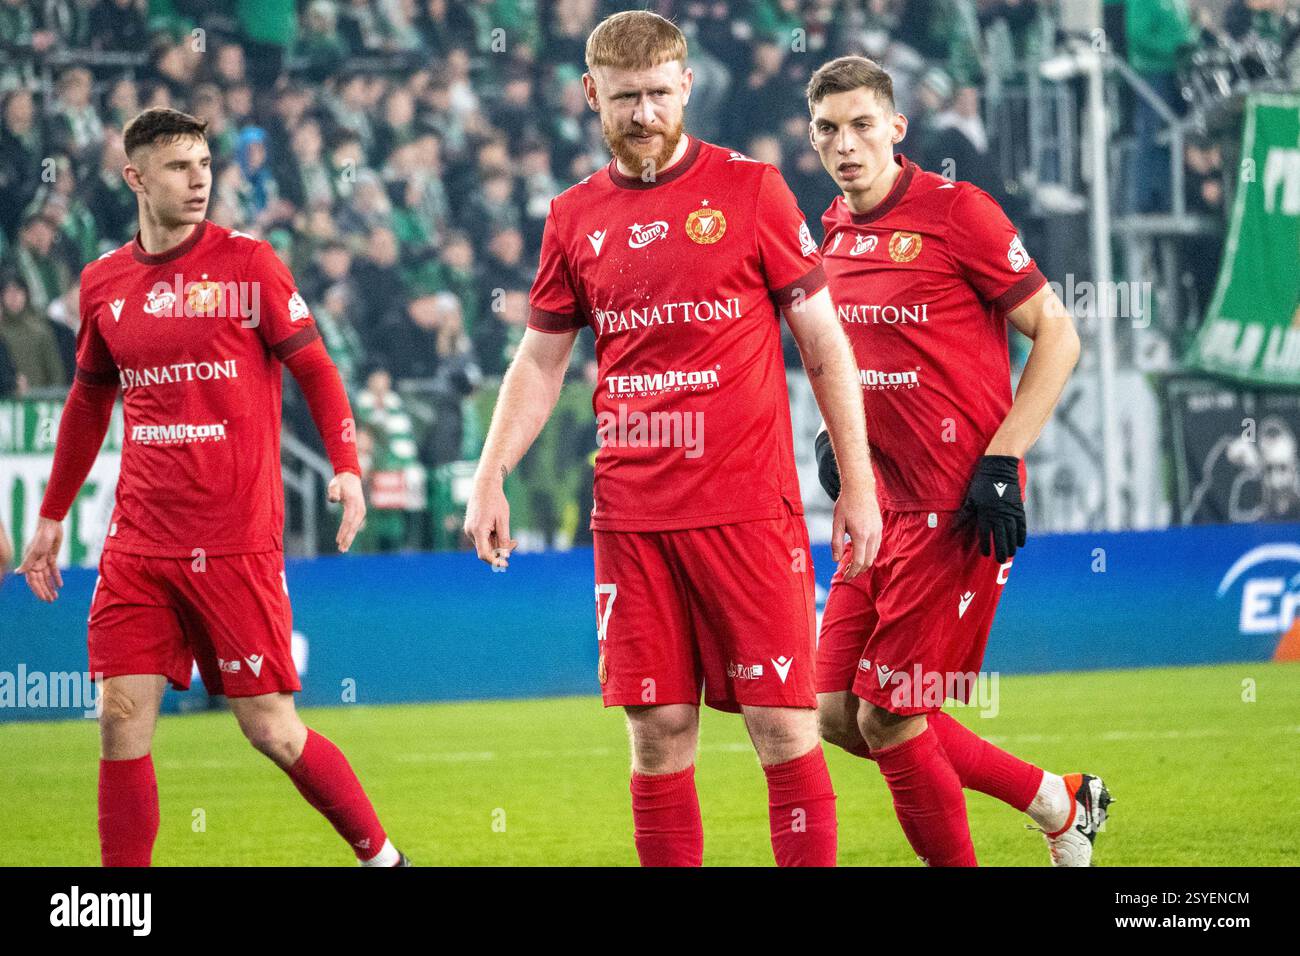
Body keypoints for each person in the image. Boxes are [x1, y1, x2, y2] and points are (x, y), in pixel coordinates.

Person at [464, 11, 880, 867]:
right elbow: (540, 362)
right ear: (591, 96)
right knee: (656, 734)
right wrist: (490, 474)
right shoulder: (573, 216)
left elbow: (826, 344)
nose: (645, 113)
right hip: (632, 518)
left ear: (687, 86)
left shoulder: (751, 190)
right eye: (625, 99)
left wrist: (859, 485)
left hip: (746, 512)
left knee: (782, 724)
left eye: (659, 93)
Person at [15, 107, 408, 868]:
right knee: (120, 720)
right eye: (177, 167)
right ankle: (120, 905)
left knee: (271, 729)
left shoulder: (249, 264)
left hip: (233, 539)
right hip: (137, 541)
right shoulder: (102, 283)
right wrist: (52, 517)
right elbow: (89, 400)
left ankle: (385, 861)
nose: (198, 180)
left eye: (203, 165)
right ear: (135, 177)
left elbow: (316, 369)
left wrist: (348, 467)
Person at [805, 56, 1110, 866]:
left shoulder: (957, 212)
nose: (847, 144)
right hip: (881, 510)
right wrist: (842, 444)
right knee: (833, 711)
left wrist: (1005, 460)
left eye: (863, 124)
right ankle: (1058, 798)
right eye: (828, 130)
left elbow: (1060, 333)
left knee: (891, 716)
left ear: (897, 129)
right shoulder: (831, 229)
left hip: (957, 506)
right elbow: (858, 362)